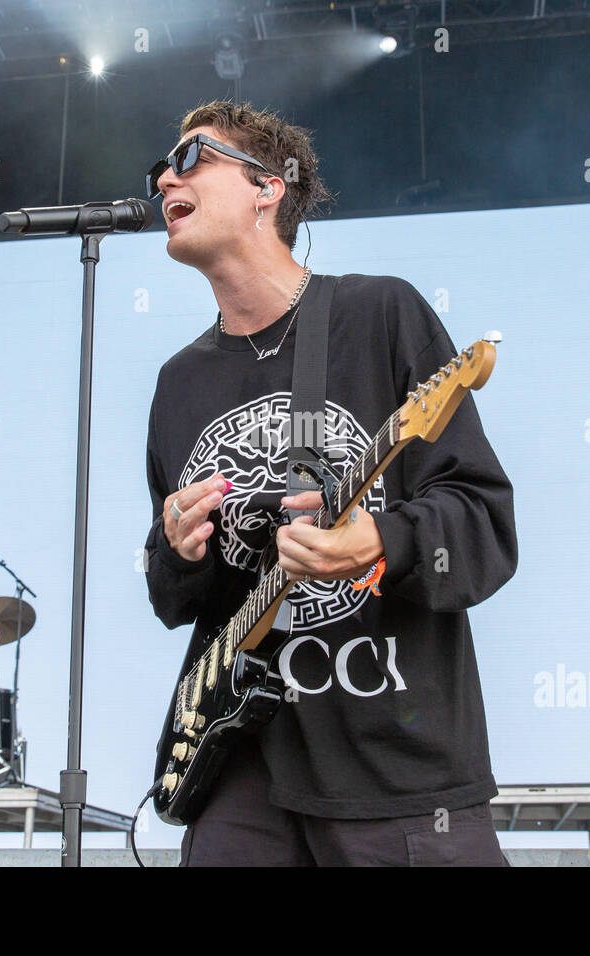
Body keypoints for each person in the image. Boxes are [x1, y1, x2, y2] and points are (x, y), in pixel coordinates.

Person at [141, 101, 517, 866]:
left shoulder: (380, 313)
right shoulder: (178, 383)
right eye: (159, 168)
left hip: (391, 766)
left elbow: (482, 523)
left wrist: (382, 537)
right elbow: (171, 596)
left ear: (267, 188)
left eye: (191, 159)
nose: (162, 177)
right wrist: (176, 549)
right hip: (241, 767)